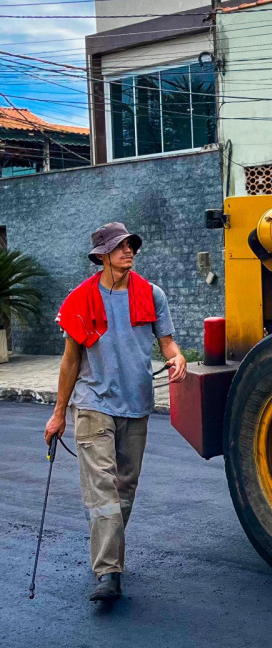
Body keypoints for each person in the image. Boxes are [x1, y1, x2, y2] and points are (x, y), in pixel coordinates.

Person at [44, 222, 187, 603]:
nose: (129, 251)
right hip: (92, 405)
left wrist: (177, 358)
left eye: (131, 245)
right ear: (102, 256)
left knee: (125, 487)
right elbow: (70, 362)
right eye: (121, 247)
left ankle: (109, 553)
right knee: (102, 488)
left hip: (136, 405)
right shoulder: (80, 300)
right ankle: (108, 573)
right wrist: (59, 414)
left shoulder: (151, 294)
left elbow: (168, 343)